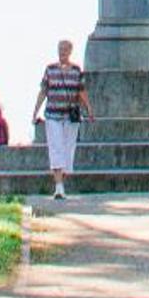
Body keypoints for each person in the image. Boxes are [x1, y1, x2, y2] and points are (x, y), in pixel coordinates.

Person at [32, 39, 92, 199]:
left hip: (70, 116)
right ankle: (59, 187)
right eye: (60, 49)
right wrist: (35, 111)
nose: (62, 52)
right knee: (56, 147)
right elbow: (43, 91)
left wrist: (89, 109)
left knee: (68, 150)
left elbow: (81, 91)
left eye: (65, 49)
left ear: (70, 51)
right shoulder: (50, 69)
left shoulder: (76, 70)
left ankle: (61, 183)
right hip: (53, 115)